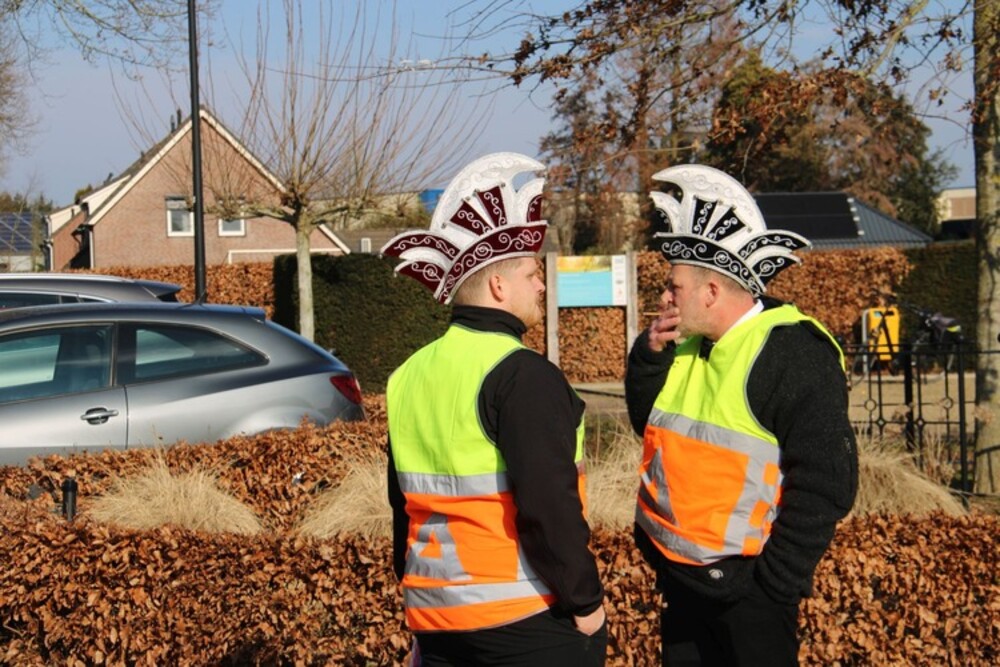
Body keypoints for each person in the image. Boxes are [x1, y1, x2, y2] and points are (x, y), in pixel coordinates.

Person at [625, 164, 858, 666]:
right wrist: (649, 357)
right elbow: (649, 426)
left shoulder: (793, 353)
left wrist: (773, 586)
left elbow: (826, 481)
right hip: (682, 581)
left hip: (750, 599)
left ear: (711, 292)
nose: (664, 297)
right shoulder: (685, 342)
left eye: (674, 287)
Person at [381, 152, 607, 667]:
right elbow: (548, 506)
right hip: (524, 620)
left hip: (436, 619)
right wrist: (586, 603)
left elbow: (403, 506)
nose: (541, 284)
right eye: (531, 273)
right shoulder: (523, 374)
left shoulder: (406, 375)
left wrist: (424, 617)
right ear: (499, 286)